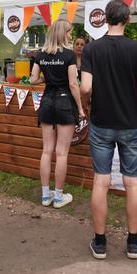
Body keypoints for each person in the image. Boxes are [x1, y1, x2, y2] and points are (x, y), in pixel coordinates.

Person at [80, 0, 137, 260]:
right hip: (131, 126)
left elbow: (86, 88)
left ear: (104, 18)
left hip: (101, 124)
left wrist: (85, 106)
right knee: (132, 181)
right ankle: (133, 243)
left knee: (101, 181)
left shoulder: (92, 50)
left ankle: (100, 243)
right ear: (127, 19)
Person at [30, 20, 85, 209]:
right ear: (63, 33)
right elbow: (72, 84)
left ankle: (46, 196)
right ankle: (59, 197)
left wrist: (48, 76)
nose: (71, 35)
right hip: (64, 103)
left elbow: (33, 80)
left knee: (46, 150)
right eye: (69, 32)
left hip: (46, 102)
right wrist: (80, 108)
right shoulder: (69, 55)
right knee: (61, 153)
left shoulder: (41, 54)